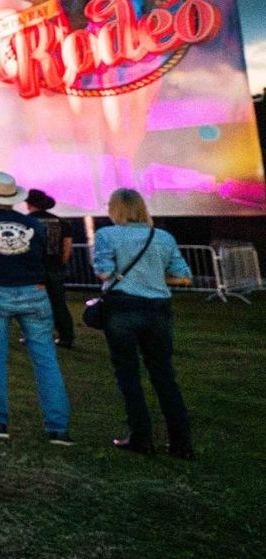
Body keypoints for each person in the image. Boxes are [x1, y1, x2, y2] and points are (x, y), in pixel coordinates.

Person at [0, 171, 70, 444]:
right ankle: (58, 427)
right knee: (45, 359)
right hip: (33, 291)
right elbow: (42, 257)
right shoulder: (34, 225)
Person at [92, 188, 195, 457]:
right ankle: (181, 442)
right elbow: (183, 276)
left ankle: (141, 437)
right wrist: (154, 278)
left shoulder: (106, 235)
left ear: (115, 209)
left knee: (128, 375)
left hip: (122, 308)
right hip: (158, 309)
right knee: (164, 375)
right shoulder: (162, 237)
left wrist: (123, 275)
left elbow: (103, 273)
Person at [25, 188, 75, 348]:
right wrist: (61, 264)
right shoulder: (61, 223)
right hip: (55, 268)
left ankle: (35, 335)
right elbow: (67, 250)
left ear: (29, 204)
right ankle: (66, 336)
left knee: (32, 304)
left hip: (32, 269)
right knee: (59, 304)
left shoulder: (25, 222)